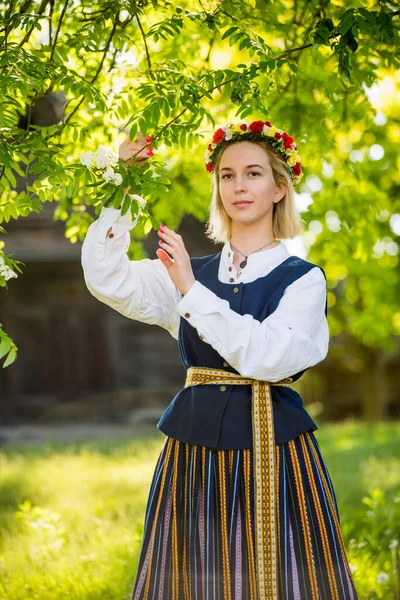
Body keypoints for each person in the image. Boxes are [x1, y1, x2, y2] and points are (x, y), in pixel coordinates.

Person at [81, 121, 359, 599]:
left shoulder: (302, 279)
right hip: (193, 454)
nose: (238, 186)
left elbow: (269, 356)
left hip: (275, 453)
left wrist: (191, 289)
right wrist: (125, 188)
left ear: (278, 188)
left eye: (252, 173)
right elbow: (106, 278)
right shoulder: (190, 271)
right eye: (226, 175)